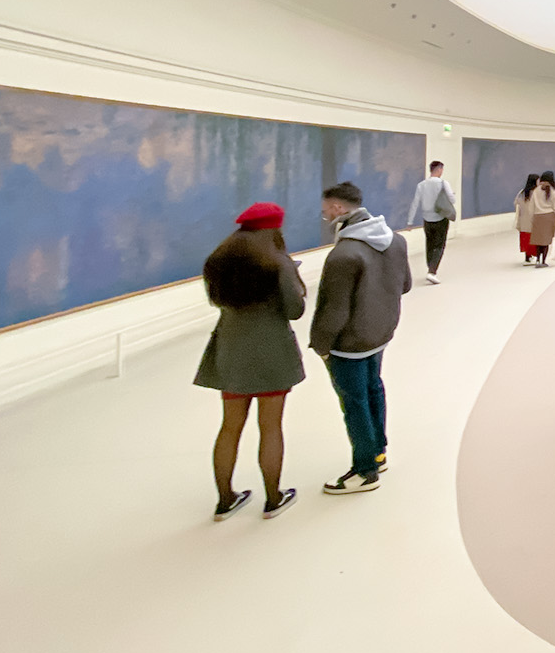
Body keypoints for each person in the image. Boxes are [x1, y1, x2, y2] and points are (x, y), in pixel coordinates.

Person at [194, 202, 306, 520]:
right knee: (270, 427)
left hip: (231, 351)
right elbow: (294, 311)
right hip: (271, 353)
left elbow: (216, 300)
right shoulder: (278, 263)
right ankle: (273, 498)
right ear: (274, 229)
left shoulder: (218, 260)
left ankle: (225, 500)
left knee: (229, 427)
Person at [311, 181, 411, 494]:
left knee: (354, 403)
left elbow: (334, 311)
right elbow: (405, 285)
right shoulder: (396, 241)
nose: (325, 215)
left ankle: (365, 471)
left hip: (349, 343)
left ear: (338, 208)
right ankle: (378, 452)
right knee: (373, 389)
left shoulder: (343, 254)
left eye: (326, 210)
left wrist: (321, 345)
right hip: (380, 333)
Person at [406, 160, 456, 284]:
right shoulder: (444, 183)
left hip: (427, 220)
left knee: (429, 244)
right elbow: (452, 199)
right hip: (441, 219)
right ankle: (432, 272)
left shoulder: (421, 185)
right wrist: (452, 196)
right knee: (439, 245)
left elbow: (415, 203)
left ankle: (430, 266)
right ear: (439, 170)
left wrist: (410, 221)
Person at [528, 170, 555, 267]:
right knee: (546, 241)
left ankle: (538, 260)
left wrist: (532, 217)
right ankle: (543, 261)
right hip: (549, 217)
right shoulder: (553, 192)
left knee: (538, 241)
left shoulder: (536, 191)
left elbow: (531, 206)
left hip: (537, 216)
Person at [513, 173, 539, 265]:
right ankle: (536, 256)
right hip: (534, 219)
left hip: (523, 220)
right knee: (535, 238)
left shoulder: (522, 193)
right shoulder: (536, 193)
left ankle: (527, 257)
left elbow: (516, 203)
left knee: (526, 238)